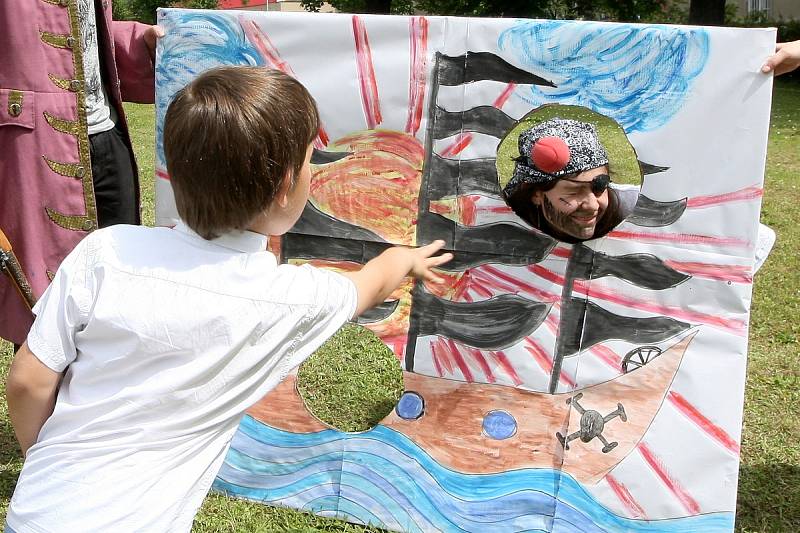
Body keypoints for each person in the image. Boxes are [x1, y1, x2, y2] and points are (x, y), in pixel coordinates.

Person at [4, 66, 453, 532]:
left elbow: (28, 381)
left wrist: (48, 458)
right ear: (285, 186)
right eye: (308, 163)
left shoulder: (104, 253)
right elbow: (370, 284)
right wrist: (405, 257)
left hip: (36, 511)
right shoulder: (289, 300)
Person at [0, 0, 162, 348]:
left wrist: (137, 40)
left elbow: (85, 33)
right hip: (31, 144)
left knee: (119, 284)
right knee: (43, 302)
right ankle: (45, 402)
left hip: (108, 136)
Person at [502, 118, 638, 243]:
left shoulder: (632, 208)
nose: (592, 205)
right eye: (574, 191)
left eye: (600, 187)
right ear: (536, 194)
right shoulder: (502, 221)